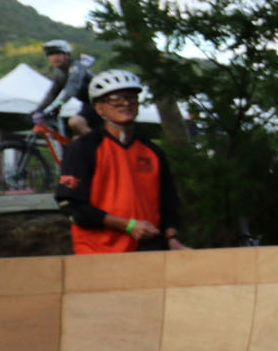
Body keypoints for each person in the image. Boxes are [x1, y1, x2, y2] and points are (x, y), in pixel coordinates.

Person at [54, 70, 187, 255]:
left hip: (148, 251)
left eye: (131, 98)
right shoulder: (84, 148)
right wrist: (129, 225)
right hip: (97, 253)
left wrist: (172, 239)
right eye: (115, 98)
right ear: (99, 108)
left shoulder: (153, 152)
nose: (125, 103)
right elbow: (72, 206)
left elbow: (169, 203)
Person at [31, 40, 95, 138]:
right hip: (87, 104)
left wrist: (58, 105)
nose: (54, 57)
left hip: (100, 103)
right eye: (50, 54)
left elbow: (71, 89)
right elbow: (52, 94)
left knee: (75, 123)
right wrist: (38, 110)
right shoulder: (59, 73)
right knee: (76, 140)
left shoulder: (77, 67)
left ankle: (102, 147)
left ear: (67, 55)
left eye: (58, 53)